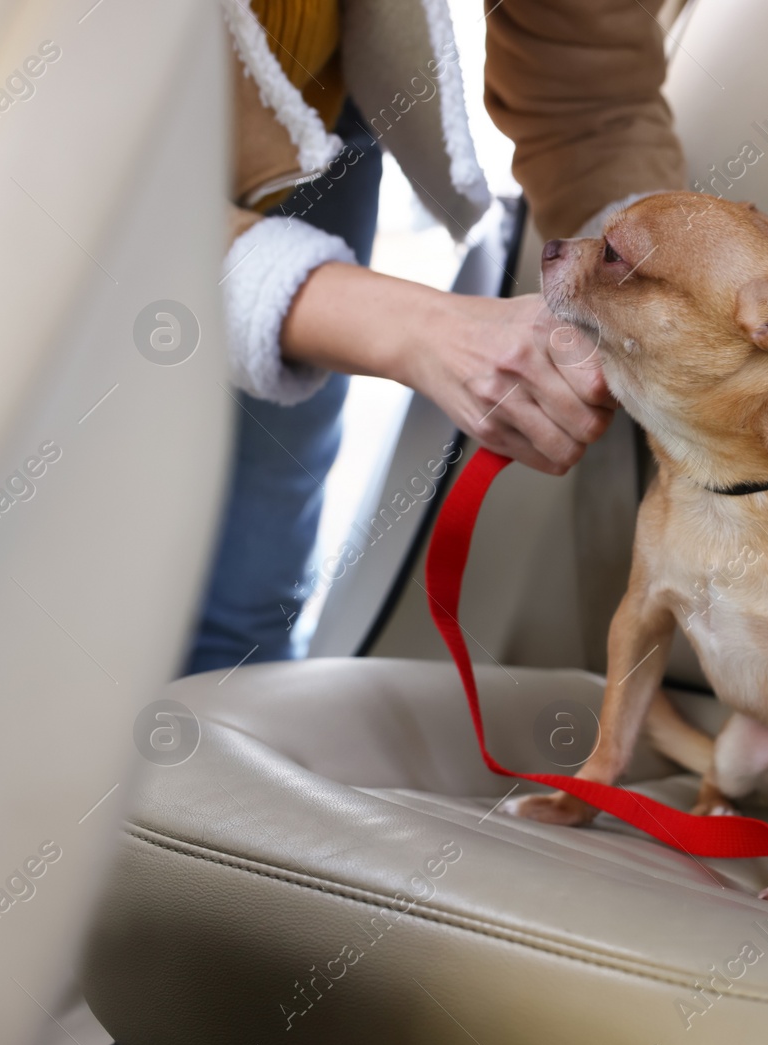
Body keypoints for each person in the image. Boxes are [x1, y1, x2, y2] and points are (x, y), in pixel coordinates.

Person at [187, 0, 685, 674]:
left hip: (310, 113)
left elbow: (590, 90)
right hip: (67, 157)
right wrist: (419, 329)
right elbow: (77, 213)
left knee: (252, 582)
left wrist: (641, 276)